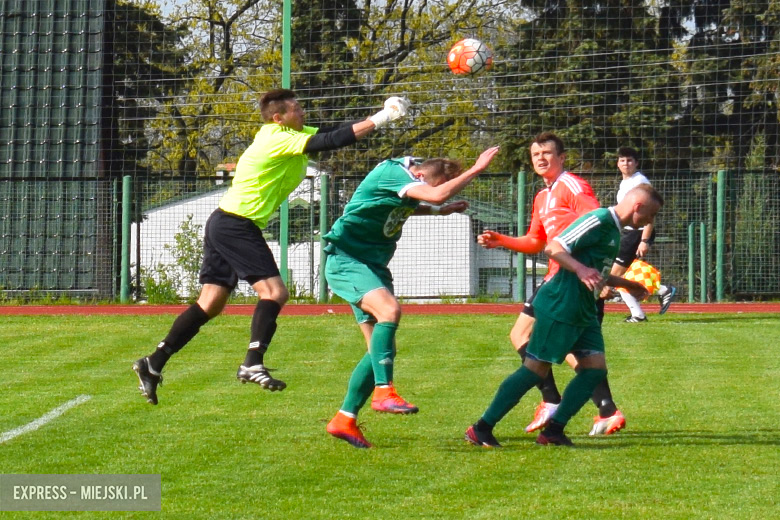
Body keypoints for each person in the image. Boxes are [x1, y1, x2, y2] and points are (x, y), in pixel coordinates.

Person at [132, 89, 411, 405]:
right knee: (275, 293)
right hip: (236, 224)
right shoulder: (275, 137)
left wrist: (377, 115)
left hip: (226, 221)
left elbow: (336, 133)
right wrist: (384, 117)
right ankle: (252, 362)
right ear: (278, 117)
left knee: (210, 304)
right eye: (296, 109)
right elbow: (329, 142)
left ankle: (153, 363)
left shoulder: (292, 132)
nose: (302, 112)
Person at [324, 146, 501, 448]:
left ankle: (344, 418)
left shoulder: (405, 184)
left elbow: (411, 203)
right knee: (390, 312)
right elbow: (433, 195)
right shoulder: (392, 171)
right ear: (419, 176)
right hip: (347, 260)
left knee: (378, 351)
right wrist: (475, 169)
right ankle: (383, 391)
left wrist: (438, 210)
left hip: (373, 266)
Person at [465, 184, 663, 447]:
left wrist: (628, 284)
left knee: (594, 371)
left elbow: (597, 271)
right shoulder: (599, 219)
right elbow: (554, 246)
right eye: (650, 214)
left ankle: (553, 431)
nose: (651, 221)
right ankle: (482, 428)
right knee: (535, 370)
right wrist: (580, 270)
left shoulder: (615, 230)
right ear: (637, 207)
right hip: (562, 304)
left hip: (584, 309)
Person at [477, 132, 625, 436]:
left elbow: (595, 221)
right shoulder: (543, 195)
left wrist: (595, 272)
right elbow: (536, 240)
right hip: (558, 279)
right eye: (536, 155)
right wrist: (500, 240)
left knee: (543, 342)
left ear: (562, 157)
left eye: (547, 153)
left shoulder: (572, 185)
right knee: (553, 344)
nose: (541, 159)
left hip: (573, 281)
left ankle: (557, 402)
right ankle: (601, 408)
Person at [603, 147, 676, 323]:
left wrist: (644, 240)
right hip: (629, 233)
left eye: (629, 160)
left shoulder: (640, 182)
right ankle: (661, 290)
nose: (625, 164)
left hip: (636, 234)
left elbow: (649, 215)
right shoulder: (625, 182)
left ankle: (639, 314)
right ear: (617, 163)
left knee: (615, 277)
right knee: (622, 275)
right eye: (622, 160)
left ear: (636, 163)